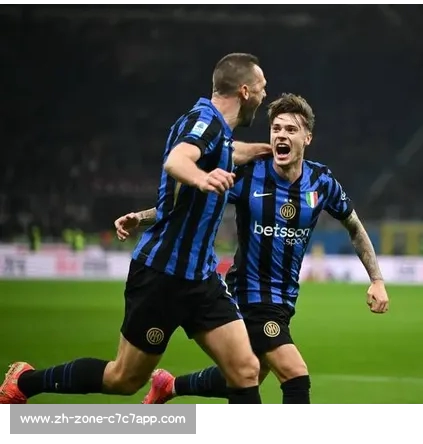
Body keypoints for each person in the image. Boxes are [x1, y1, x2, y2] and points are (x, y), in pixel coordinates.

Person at [0, 52, 272, 405]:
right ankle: (25, 381)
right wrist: (202, 178)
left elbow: (226, 153)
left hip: (200, 278)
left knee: (246, 370)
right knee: (124, 379)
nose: (265, 95)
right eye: (262, 87)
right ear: (246, 91)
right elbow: (177, 160)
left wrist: (263, 151)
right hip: (162, 275)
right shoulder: (205, 122)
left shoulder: (216, 133)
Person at [115, 93, 390, 404]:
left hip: (284, 298)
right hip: (249, 293)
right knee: (295, 373)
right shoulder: (250, 175)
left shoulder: (321, 181)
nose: (281, 135)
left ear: (307, 138)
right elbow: (191, 201)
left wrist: (377, 279)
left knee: (249, 374)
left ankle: (170, 386)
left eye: (291, 129)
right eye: (276, 128)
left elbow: (354, 226)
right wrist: (142, 217)